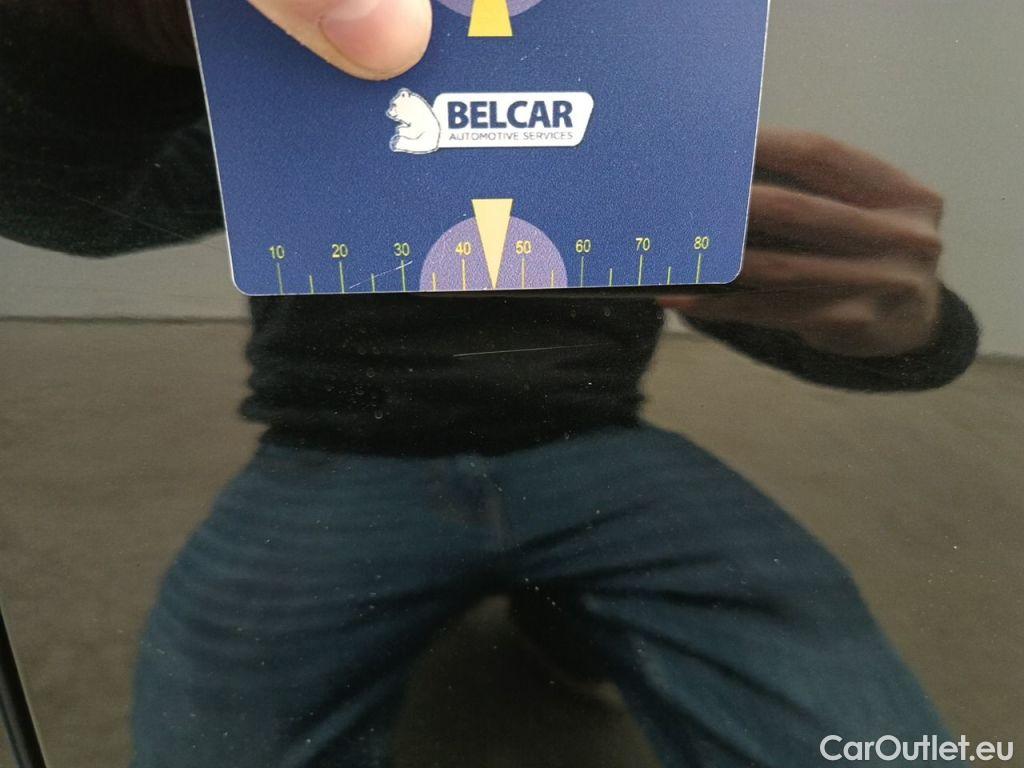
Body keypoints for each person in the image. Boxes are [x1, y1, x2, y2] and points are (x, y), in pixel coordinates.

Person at [0, 2, 978, 766]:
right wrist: (86, 37)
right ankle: (565, 621)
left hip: (577, 444)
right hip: (344, 454)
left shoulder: (635, 95)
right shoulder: (309, 89)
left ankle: (561, 618)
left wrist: (917, 327)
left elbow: (759, 292)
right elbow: (84, 204)